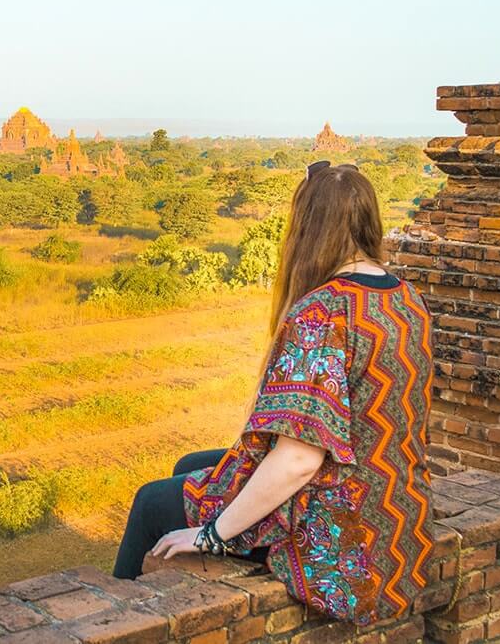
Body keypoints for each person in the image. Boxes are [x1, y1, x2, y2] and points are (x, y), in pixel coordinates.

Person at [113, 161, 434, 626]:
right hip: (398, 520)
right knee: (189, 467)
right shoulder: (405, 298)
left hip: (346, 538)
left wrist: (212, 536)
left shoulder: (325, 312)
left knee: (150, 504)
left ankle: (122, 627)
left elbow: (300, 460)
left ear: (308, 229)